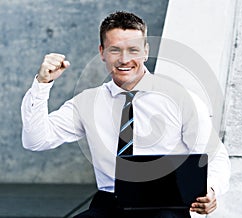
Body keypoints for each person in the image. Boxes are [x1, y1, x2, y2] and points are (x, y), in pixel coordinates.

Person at [21, 11, 230, 218]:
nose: (124, 59)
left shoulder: (182, 98)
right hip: (110, 203)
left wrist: (211, 190)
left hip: (167, 204)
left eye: (133, 50)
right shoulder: (87, 102)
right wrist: (42, 85)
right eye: (115, 50)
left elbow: (215, 155)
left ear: (145, 51)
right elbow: (36, 140)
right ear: (102, 52)